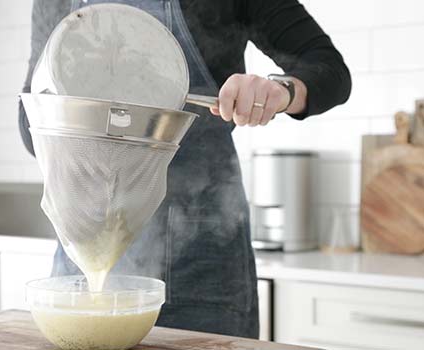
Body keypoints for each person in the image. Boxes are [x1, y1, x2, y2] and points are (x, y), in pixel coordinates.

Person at [18, 0, 351, 338]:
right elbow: (28, 125)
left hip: (204, 252)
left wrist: (281, 90)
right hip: (83, 240)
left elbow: (329, 69)